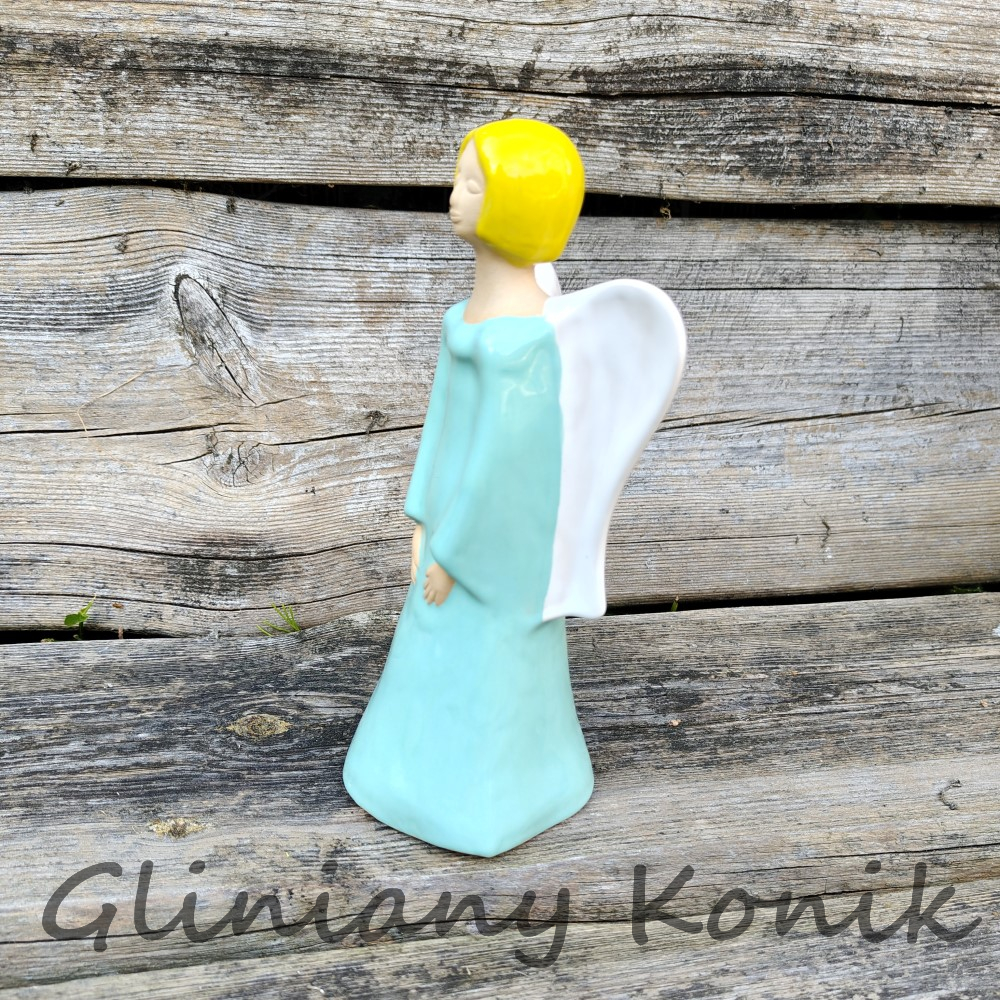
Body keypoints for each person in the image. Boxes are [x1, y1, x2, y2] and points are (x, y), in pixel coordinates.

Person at [342, 119, 595, 857]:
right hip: (447, 528)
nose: (454, 196)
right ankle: (412, 777)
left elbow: (503, 468)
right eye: (460, 179)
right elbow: (441, 428)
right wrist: (422, 513)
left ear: (515, 207)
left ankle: (501, 791)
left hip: (491, 547)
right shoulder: (464, 321)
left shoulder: (526, 346)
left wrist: (454, 551)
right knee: (430, 647)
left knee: (486, 654)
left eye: (474, 186)